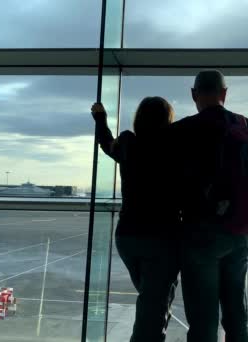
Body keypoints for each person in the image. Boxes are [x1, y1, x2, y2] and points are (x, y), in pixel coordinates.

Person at [169, 70, 248, 342]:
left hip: (198, 231)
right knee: (236, 317)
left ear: (194, 94)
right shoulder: (243, 125)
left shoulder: (182, 130)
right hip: (238, 231)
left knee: (203, 320)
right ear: (225, 93)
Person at [91, 97, 180, 342]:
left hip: (128, 235)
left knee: (152, 300)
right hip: (161, 237)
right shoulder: (175, 148)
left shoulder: (129, 144)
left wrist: (100, 118)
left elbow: (106, 143)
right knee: (154, 307)